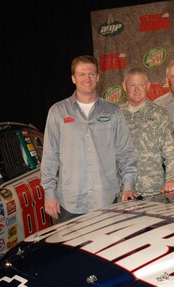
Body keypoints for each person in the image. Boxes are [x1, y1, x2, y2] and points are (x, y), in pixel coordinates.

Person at [41, 55, 137, 223]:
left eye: (92, 74)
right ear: (73, 78)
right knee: (70, 250)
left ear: (98, 77)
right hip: (70, 203)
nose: (87, 78)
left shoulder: (113, 112)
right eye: (81, 74)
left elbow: (125, 152)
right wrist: (49, 193)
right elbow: (50, 155)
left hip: (106, 201)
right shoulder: (58, 112)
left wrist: (128, 186)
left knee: (108, 249)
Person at [121, 67, 174, 197]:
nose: (137, 90)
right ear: (124, 86)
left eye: (141, 85)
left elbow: (173, 152)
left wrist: (172, 179)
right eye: (132, 85)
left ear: (148, 86)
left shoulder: (159, 115)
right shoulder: (117, 115)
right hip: (123, 192)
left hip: (153, 192)